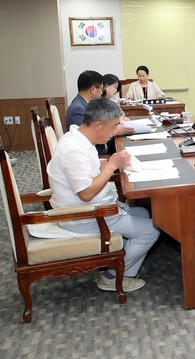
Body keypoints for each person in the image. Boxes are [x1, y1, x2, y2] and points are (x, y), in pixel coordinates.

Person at [47, 98, 160, 292]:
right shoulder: (72, 150)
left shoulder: (80, 138)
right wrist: (112, 165)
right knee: (152, 230)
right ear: (98, 125)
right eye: (114, 125)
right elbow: (86, 193)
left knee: (142, 213)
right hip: (86, 215)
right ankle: (112, 276)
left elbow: (88, 168)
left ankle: (124, 269)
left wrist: (112, 164)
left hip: (98, 207)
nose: (116, 130)